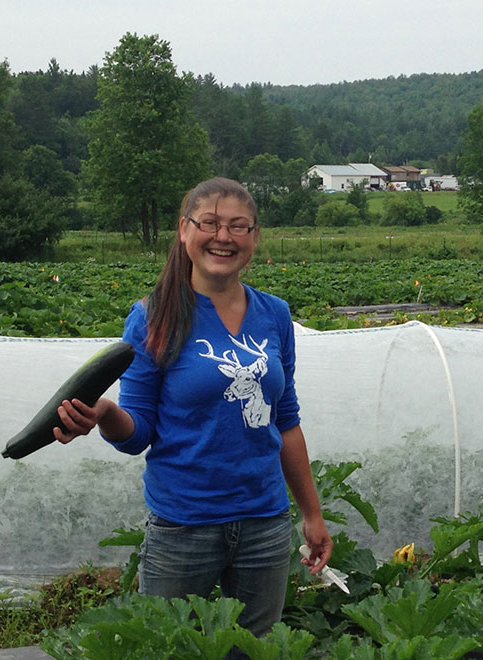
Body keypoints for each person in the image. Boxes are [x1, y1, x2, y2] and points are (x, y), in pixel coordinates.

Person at [51, 177, 332, 638]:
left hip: (264, 522)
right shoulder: (152, 316)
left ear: (254, 237)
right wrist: (103, 414)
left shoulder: (275, 314)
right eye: (210, 223)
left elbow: (286, 422)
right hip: (184, 526)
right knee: (169, 647)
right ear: (184, 231)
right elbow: (138, 432)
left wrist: (312, 514)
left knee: (255, 650)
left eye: (238, 226)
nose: (223, 237)